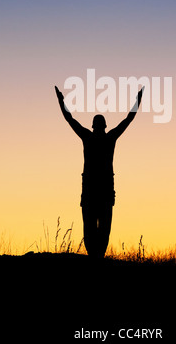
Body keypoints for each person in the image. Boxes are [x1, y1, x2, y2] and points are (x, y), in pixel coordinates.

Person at [55, 85, 144, 258]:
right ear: (104, 125)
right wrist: (137, 101)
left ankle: (95, 257)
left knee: (93, 226)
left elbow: (69, 119)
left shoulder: (89, 137)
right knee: (101, 227)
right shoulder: (108, 138)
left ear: (95, 125)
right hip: (99, 189)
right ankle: (97, 257)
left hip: (94, 189)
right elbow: (128, 119)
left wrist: (61, 101)